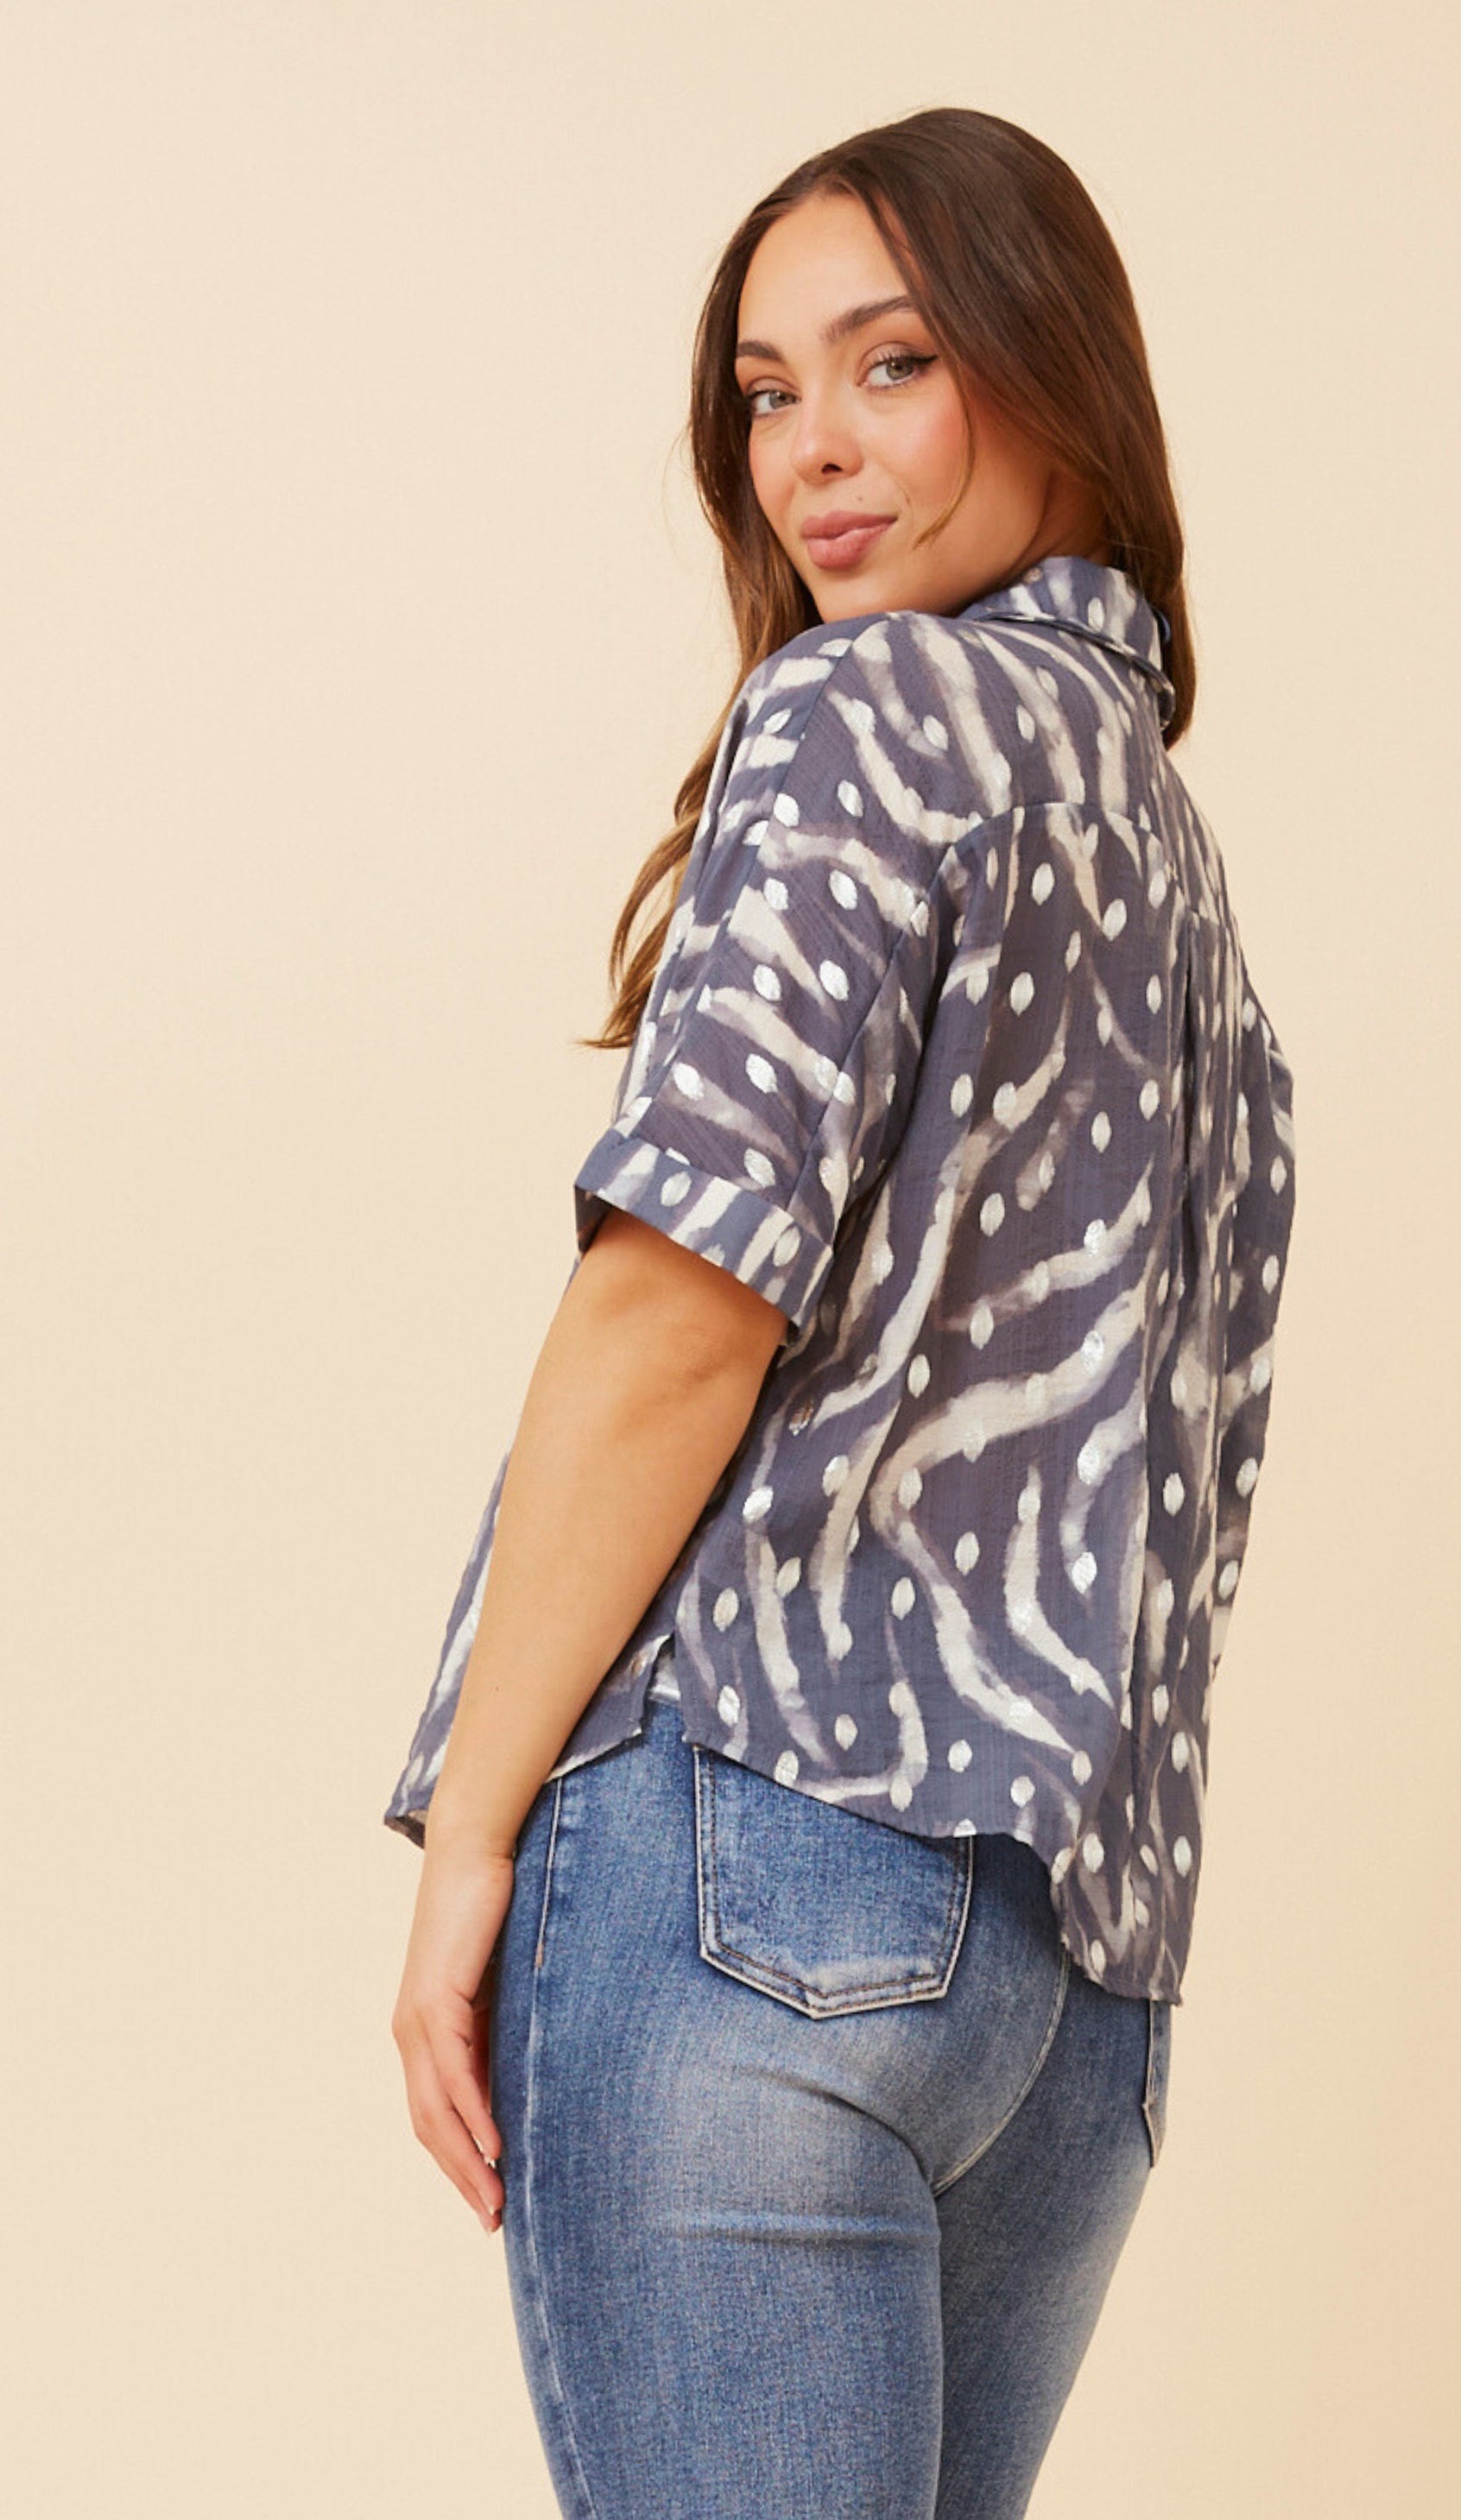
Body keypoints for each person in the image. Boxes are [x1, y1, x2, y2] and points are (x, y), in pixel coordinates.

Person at [387, 104, 1297, 2520]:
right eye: (767, 394)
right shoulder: (1174, 869)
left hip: (753, 1863)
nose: (812, 452)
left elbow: (677, 1309)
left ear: (1057, 370)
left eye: (892, 364)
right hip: (1067, 1999)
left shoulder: (866, 716)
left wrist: (469, 1836)